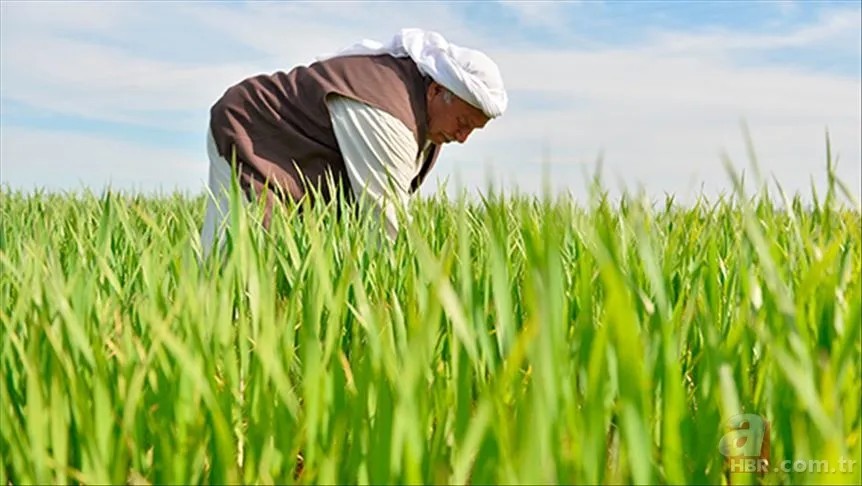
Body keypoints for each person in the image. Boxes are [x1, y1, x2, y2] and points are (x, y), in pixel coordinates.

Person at [198, 28, 508, 259]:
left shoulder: (426, 117)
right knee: (241, 262)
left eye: (472, 131)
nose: (462, 138)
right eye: (463, 123)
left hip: (301, 166)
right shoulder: (386, 113)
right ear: (436, 91)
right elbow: (384, 221)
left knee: (299, 260)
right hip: (252, 132)